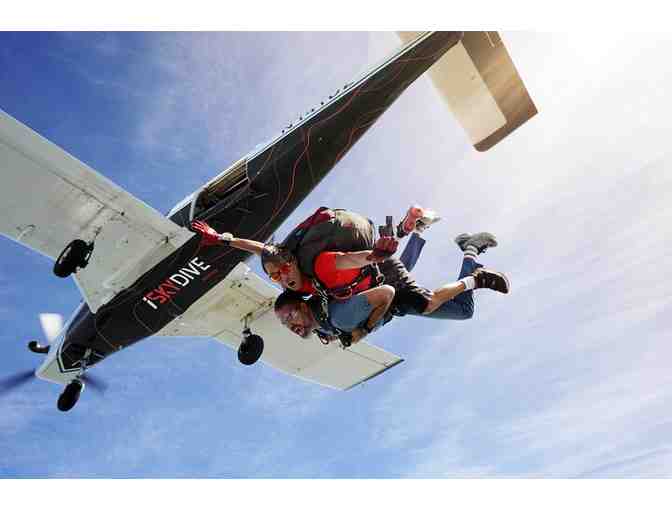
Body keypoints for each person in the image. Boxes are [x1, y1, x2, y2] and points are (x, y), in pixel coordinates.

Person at [273, 233, 509, 345]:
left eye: (289, 316)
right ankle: (426, 234)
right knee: (404, 271)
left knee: (451, 308)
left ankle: (475, 273)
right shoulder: (323, 321)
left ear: (302, 306)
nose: (290, 325)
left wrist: (364, 330)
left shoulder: (337, 318)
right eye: (284, 324)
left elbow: (385, 293)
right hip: (383, 276)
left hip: (391, 289)